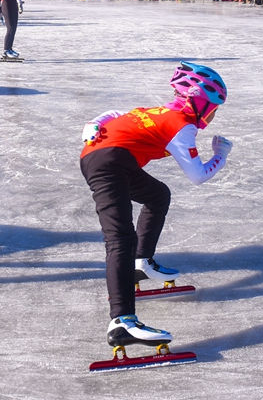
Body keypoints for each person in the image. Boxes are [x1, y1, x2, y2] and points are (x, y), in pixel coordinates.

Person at [80, 62, 233, 350]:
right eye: (212, 108)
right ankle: (122, 322)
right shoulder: (181, 126)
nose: (213, 116)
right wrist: (220, 155)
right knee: (119, 237)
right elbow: (197, 175)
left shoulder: (160, 111)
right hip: (109, 164)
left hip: (110, 159)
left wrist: (93, 123)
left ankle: (141, 262)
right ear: (197, 102)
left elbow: (115, 113)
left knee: (157, 195)